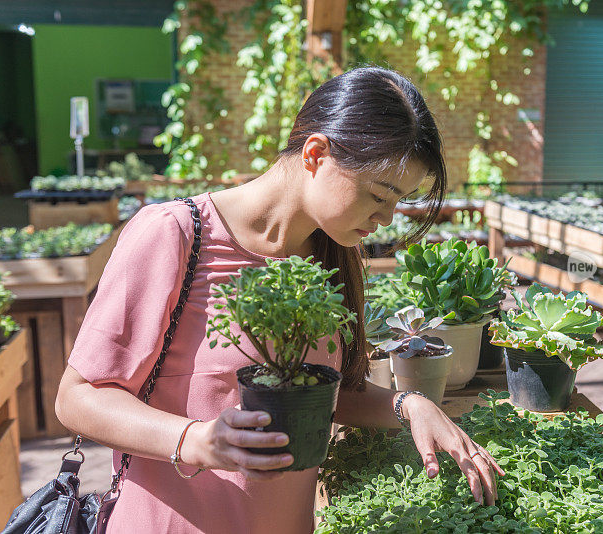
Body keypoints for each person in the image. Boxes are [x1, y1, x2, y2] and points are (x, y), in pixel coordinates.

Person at [55, 66, 503, 533]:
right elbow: (78, 398)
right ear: (316, 153)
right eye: (379, 195)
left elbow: (327, 396)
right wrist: (196, 440)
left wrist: (408, 405)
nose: (387, 218)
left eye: (400, 201)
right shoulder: (175, 234)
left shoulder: (333, 256)